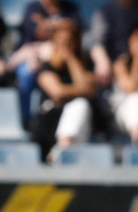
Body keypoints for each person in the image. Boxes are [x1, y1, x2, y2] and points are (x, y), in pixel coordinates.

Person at [30, 18, 113, 152]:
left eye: (69, 42)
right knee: (80, 103)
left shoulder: (86, 65)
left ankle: (63, 149)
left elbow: (90, 89)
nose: (64, 45)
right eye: (61, 41)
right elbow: (58, 92)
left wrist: (70, 59)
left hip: (81, 127)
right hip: (50, 126)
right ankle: (62, 149)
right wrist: (80, 90)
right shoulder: (47, 67)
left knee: (80, 105)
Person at [14, 0, 81, 121]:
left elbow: (75, 29)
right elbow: (37, 32)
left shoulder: (70, 8)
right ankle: (25, 119)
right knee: (26, 74)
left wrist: (47, 24)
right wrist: (62, 25)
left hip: (61, 59)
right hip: (35, 58)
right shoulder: (32, 8)